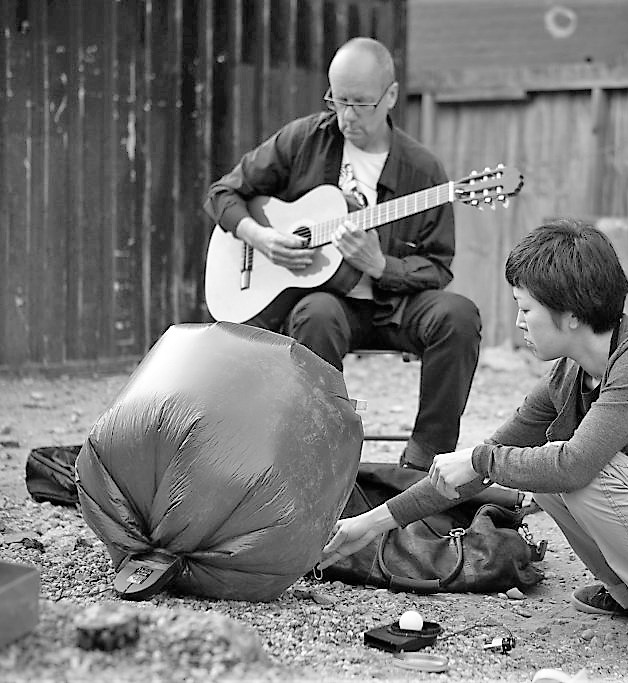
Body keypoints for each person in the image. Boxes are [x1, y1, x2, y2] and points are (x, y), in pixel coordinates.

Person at [319, 219, 628, 666]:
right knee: (538, 468)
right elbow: (482, 467)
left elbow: (567, 466)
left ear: (570, 315)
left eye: (526, 309)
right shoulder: (570, 374)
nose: (519, 322)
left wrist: (483, 460)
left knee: (572, 467)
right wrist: (368, 525)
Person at [203, 37, 481, 471]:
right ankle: (321, 455)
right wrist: (261, 237)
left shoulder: (424, 171)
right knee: (316, 314)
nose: (347, 116)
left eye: (361, 104)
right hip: (329, 306)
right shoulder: (304, 140)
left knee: (458, 315)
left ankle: (427, 456)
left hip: (396, 306)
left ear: (391, 96)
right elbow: (223, 193)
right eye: (338, 100)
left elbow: (438, 267)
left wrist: (381, 266)